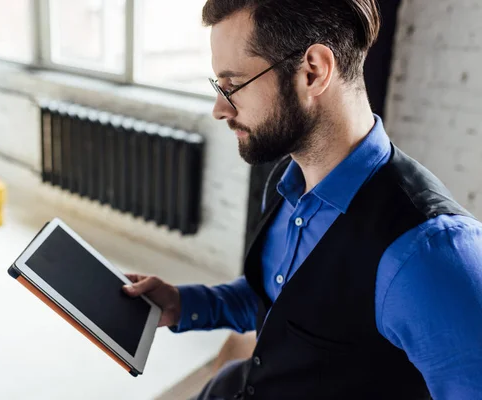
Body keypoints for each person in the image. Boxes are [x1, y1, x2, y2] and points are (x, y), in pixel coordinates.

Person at [123, 1, 482, 398]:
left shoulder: (429, 257)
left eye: (233, 85)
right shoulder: (288, 181)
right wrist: (181, 303)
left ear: (313, 71)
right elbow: (281, 305)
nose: (219, 109)